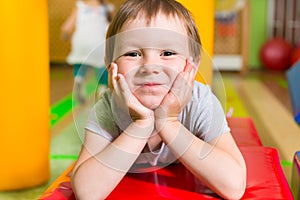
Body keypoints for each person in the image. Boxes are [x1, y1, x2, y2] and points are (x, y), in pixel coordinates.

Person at [71, 0, 247, 199]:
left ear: (193, 65)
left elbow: (234, 187)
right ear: (110, 65)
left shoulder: (200, 101)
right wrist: (142, 125)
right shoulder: (108, 108)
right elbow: (87, 193)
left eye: (168, 53)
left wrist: (168, 123)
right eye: (133, 53)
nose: (150, 66)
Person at [61, 0, 113, 104]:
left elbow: (67, 26)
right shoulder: (107, 8)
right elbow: (110, 29)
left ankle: (79, 79)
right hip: (98, 42)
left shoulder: (80, 6)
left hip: (80, 41)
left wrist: (64, 34)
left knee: (81, 62)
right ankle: (102, 89)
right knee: (102, 65)